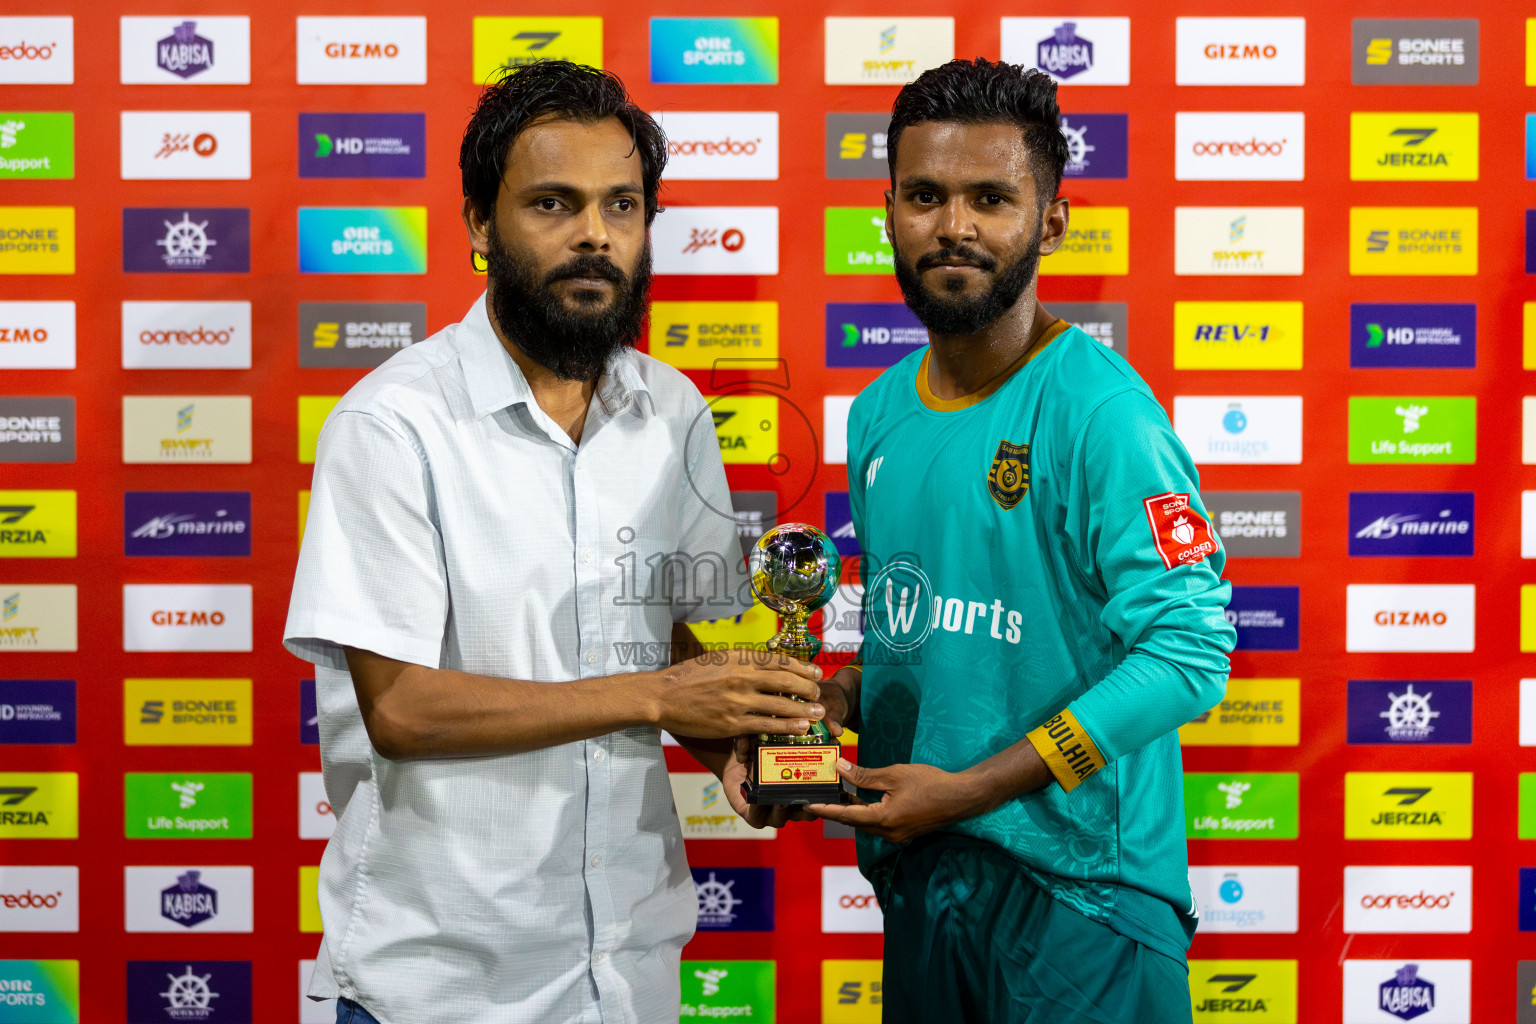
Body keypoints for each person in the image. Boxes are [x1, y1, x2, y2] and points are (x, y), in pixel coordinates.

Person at [283, 61, 826, 1024]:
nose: (595, 235)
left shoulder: (674, 412)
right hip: (439, 989)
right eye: (553, 204)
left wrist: (737, 752)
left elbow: (668, 650)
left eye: (623, 205)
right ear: (480, 227)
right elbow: (403, 709)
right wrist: (660, 696)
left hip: (628, 974)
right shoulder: (393, 423)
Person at [806, 59, 1236, 1023]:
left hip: (1080, 893)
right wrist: (829, 698)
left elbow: (1190, 654)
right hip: (923, 879)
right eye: (924, 195)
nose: (952, 225)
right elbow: (913, 620)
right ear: (888, 211)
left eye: (990, 197)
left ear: (1050, 220)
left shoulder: (1103, 413)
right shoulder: (876, 414)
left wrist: (969, 790)